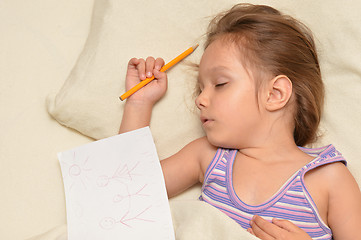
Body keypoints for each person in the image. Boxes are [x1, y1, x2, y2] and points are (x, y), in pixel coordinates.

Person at [119, 3, 361, 239]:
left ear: (275, 94)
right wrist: (139, 104)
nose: (200, 99)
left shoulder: (329, 178)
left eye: (220, 84)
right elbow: (127, 190)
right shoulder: (209, 156)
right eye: (200, 88)